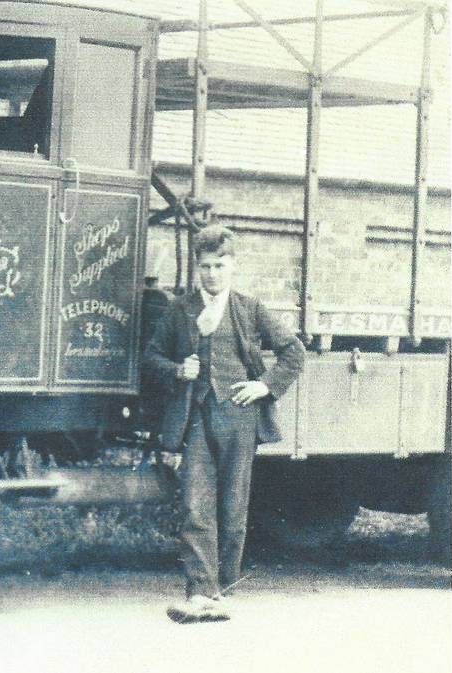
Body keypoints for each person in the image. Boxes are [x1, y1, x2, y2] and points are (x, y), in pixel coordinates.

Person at [143, 225, 304, 624]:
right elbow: (151, 357)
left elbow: (293, 352)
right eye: (205, 266)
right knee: (195, 505)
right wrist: (178, 369)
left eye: (219, 265)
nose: (212, 274)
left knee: (233, 509)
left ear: (233, 266)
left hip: (239, 419)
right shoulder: (180, 309)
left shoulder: (249, 309)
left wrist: (265, 386)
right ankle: (201, 592)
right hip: (197, 418)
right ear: (197, 268)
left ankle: (221, 589)